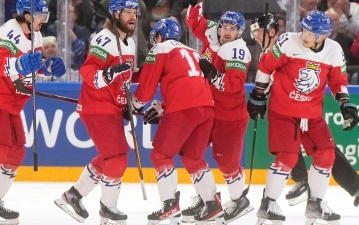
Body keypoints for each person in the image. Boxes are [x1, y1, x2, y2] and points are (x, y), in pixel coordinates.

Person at [247, 11, 358, 224]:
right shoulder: (289, 41)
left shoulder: (334, 50)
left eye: (309, 32)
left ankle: (315, 203)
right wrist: (258, 95)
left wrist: (346, 104)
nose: (303, 34)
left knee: (326, 155)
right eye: (303, 29)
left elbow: (337, 82)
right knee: (287, 157)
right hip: (283, 111)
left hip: (312, 115)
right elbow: (266, 66)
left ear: (322, 36)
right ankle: (268, 203)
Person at [0, 0, 66, 224]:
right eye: (40, 15)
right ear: (27, 15)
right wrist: (20, 65)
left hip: (9, 101)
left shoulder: (36, 36)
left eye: (45, 16)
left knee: (16, 152)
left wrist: (47, 67)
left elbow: (33, 62)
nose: (43, 20)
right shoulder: (7, 33)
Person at [54, 0, 139, 224]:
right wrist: (107, 75)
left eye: (135, 12)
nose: (133, 16)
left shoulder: (128, 43)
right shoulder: (104, 39)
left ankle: (73, 196)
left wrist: (125, 99)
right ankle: (108, 209)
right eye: (128, 12)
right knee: (117, 158)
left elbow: (124, 76)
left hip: (111, 107)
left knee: (107, 157)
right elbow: (88, 69)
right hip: (97, 107)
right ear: (115, 15)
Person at [133, 18, 224, 225]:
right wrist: (164, 107)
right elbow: (185, 83)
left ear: (158, 35)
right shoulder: (192, 51)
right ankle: (213, 204)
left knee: (161, 155)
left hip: (185, 108)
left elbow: (146, 89)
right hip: (206, 108)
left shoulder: (160, 48)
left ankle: (169, 205)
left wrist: (133, 105)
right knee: (193, 159)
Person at [182, 1, 253, 223]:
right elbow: (195, 23)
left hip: (229, 115)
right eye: (225, 27)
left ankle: (240, 201)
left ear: (240, 32)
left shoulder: (238, 50)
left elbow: (233, 85)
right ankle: (208, 200)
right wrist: (195, 4)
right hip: (207, 110)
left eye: (233, 29)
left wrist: (212, 74)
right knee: (190, 153)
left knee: (227, 164)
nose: (227, 32)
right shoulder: (214, 30)